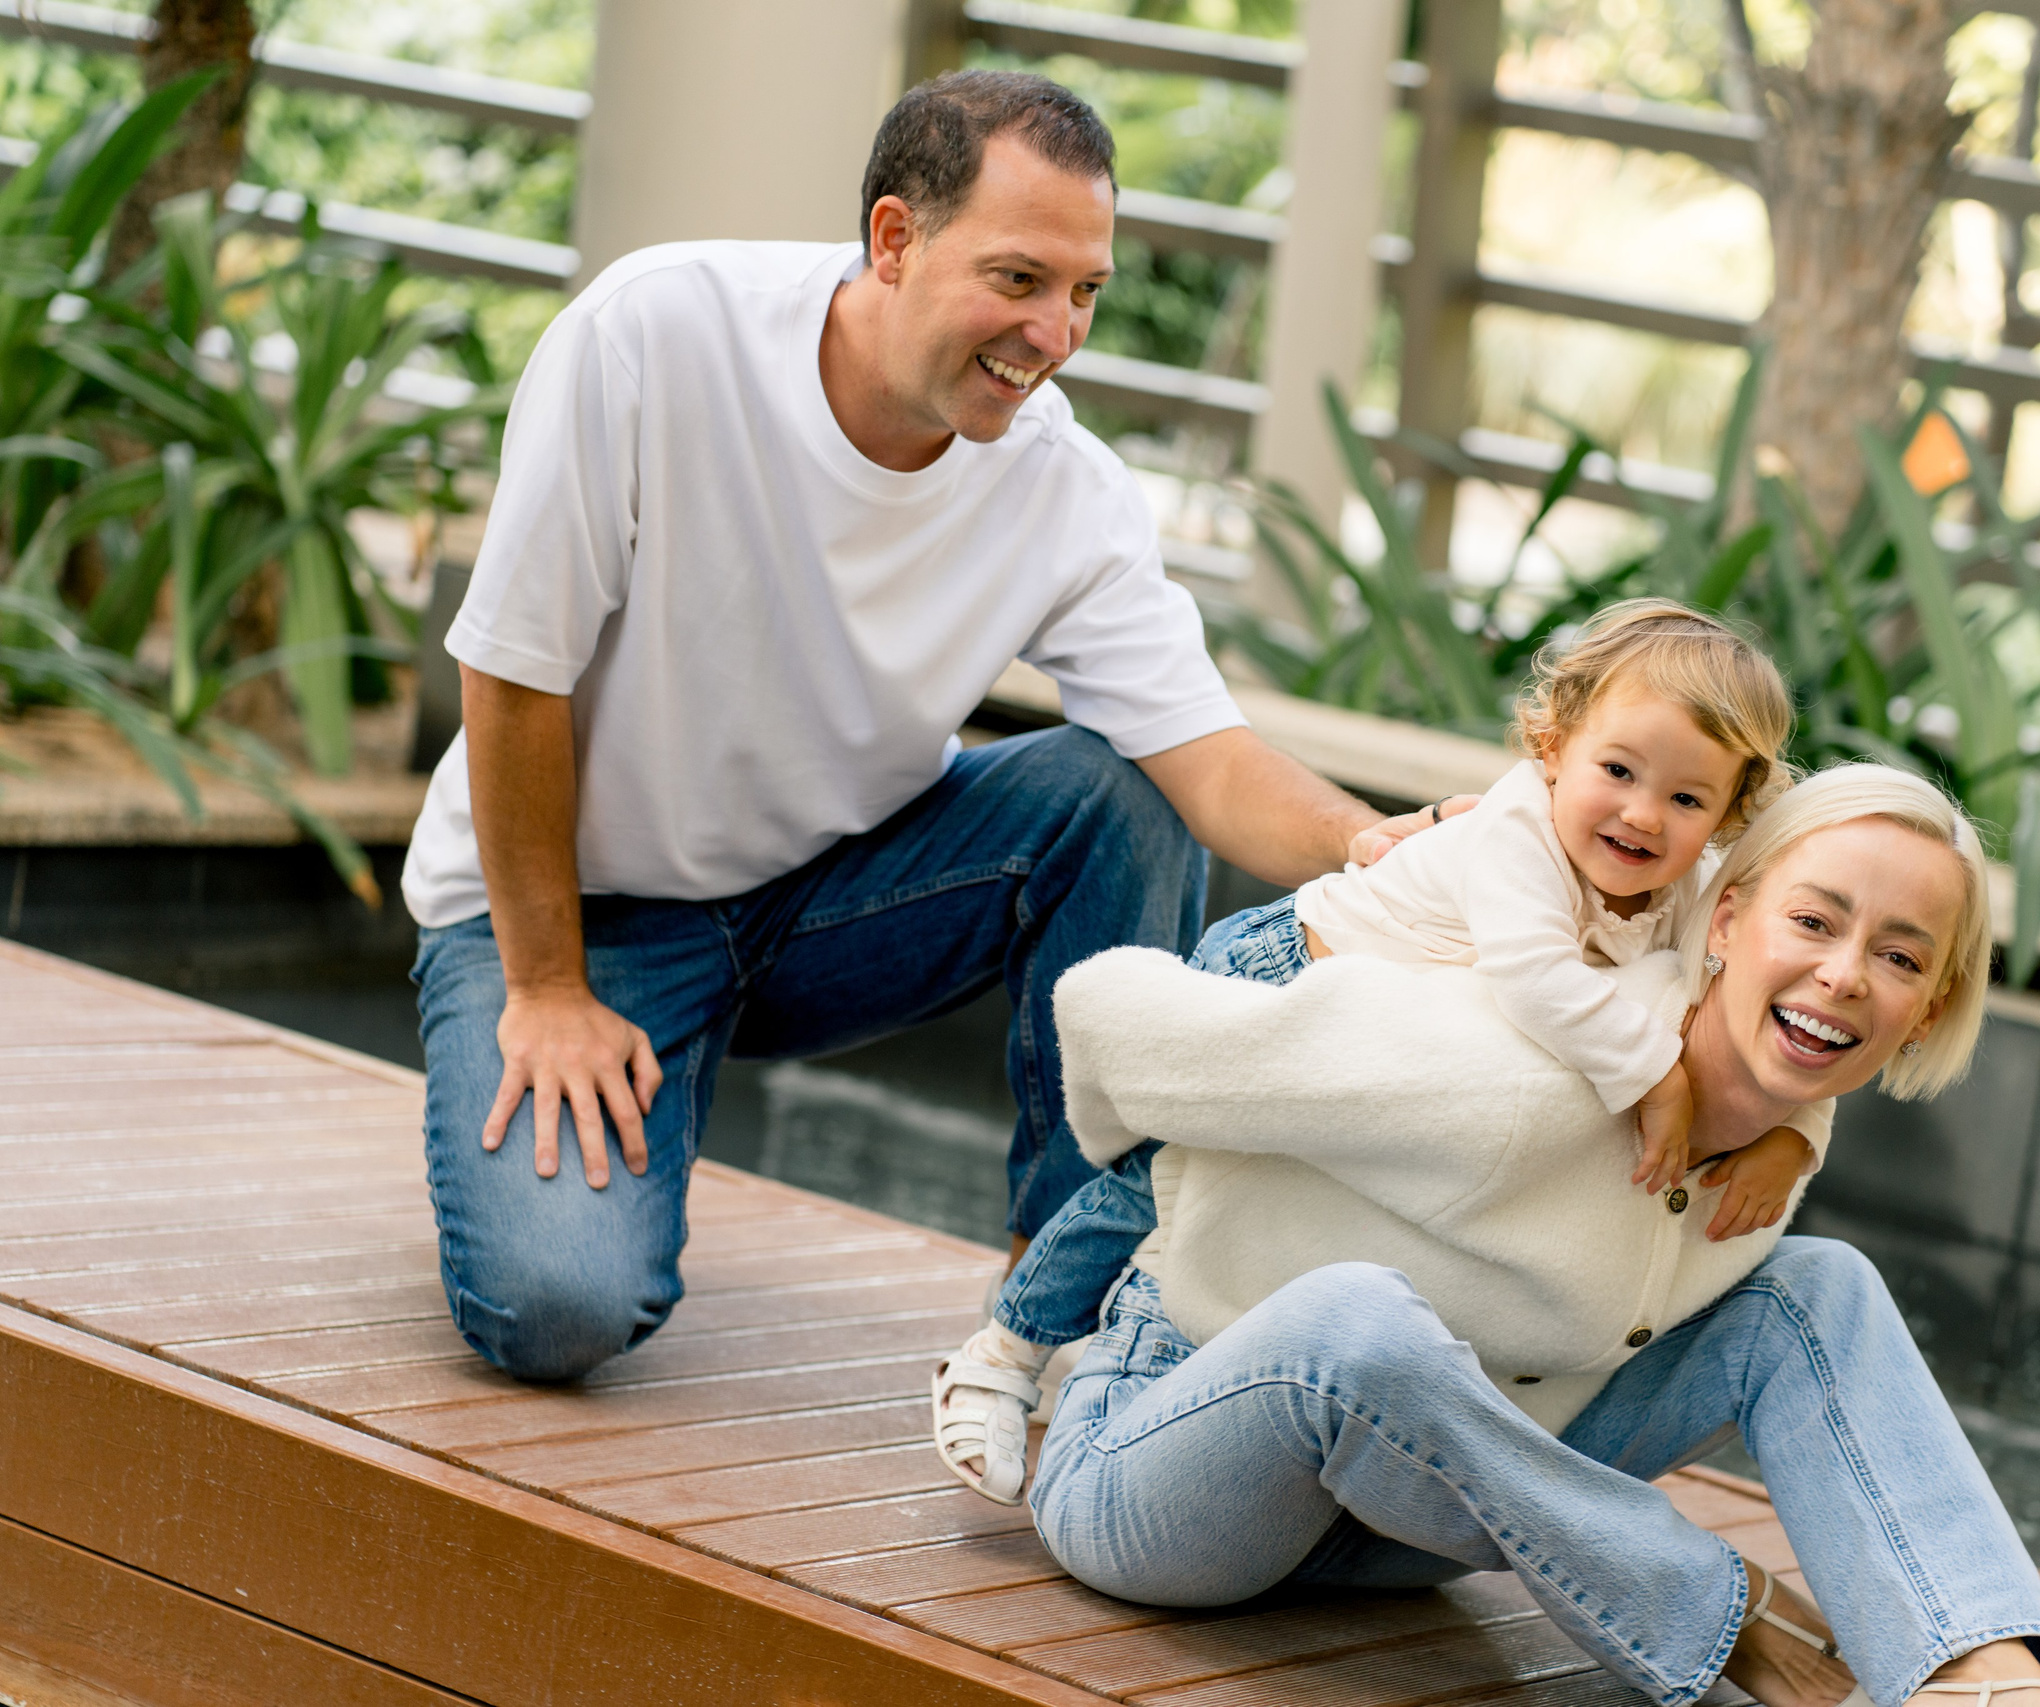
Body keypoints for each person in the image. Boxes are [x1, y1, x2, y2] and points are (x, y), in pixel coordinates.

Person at [400, 69, 1450, 1384]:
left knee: (1109, 791)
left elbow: (1213, 763)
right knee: (556, 1306)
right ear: (893, 239)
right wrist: (549, 987)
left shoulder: (1065, 487)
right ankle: (526, 1078)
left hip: (816, 905)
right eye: (1021, 280)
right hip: (566, 910)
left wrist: (1389, 852)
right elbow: (512, 675)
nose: (1056, 330)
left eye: (1085, 291)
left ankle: (1060, 1302)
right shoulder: (652, 337)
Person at [1031, 764, 2040, 1707]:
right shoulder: (1521, 1062)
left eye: (1897, 956)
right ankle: (1723, 1613)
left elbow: (1796, 1068)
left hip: (1406, 1530)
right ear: (1724, 921)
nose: (1846, 975)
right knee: (1357, 1318)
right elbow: (1120, 1030)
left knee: (1818, 1291)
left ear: (1926, 1010)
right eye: (1814, 923)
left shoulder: (1775, 1127)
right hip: (1164, 1475)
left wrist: (1793, 1134)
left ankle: (1978, 1675)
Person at [932, 599, 1834, 1502]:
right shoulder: (1518, 831)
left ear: (1729, 811)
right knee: (1153, 1180)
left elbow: (1759, 994)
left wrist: (1794, 1133)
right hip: (1286, 974)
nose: (1643, 814)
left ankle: (1147, 1356)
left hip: (1381, 1044)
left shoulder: (1686, 887)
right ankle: (1002, 1353)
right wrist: (1658, 1075)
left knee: (1272, 1205)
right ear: (1552, 746)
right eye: (1618, 769)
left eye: (1685, 798)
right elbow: (1533, 974)